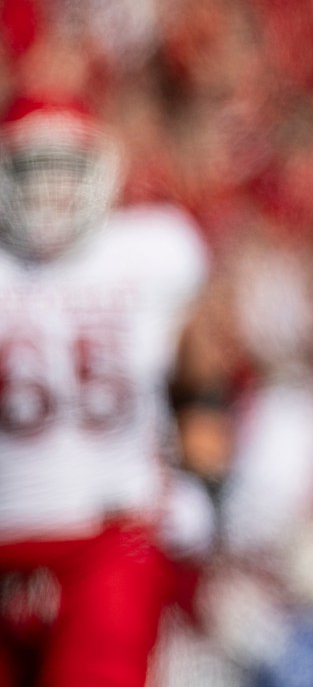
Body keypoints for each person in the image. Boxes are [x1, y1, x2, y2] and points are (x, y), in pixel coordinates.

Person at [0, 96, 228, 686]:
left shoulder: (149, 252)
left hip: (109, 536)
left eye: (63, 171)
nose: (48, 193)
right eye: (31, 172)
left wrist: (202, 485)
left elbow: (200, 380)